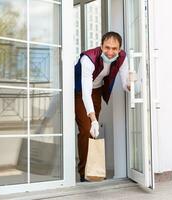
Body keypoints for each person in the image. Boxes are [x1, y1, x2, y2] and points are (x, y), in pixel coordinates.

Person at [74, 31, 131, 182]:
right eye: (107, 47)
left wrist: (131, 85)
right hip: (79, 90)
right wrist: (92, 119)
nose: (110, 52)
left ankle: (93, 171)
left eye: (114, 48)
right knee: (87, 128)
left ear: (119, 49)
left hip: (96, 90)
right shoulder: (89, 58)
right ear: (101, 46)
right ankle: (83, 173)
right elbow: (86, 92)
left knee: (92, 132)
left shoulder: (122, 57)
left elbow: (125, 83)